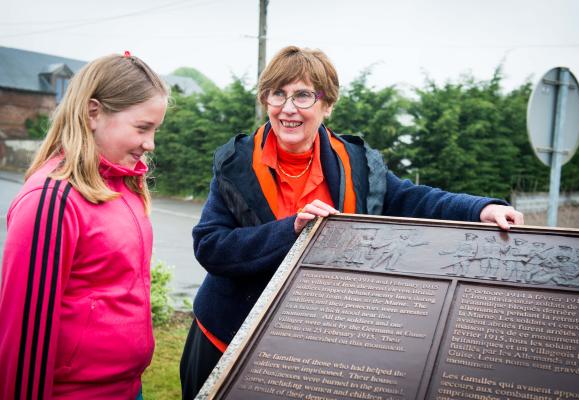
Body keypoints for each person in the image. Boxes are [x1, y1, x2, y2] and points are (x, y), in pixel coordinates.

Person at [179, 45, 524, 398]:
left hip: (316, 342)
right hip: (228, 338)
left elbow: (412, 197)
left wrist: (480, 209)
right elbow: (210, 246)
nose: (288, 108)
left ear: (327, 104)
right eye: (277, 94)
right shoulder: (236, 163)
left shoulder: (355, 161)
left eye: (303, 95)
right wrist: (290, 230)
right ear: (265, 99)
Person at [0, 53, 169, 399]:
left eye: (155, 130)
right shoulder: (53, 199)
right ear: (94, 113)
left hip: (126, 388)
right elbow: (23, 336)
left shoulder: (125, 185)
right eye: (142, 128)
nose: (150, 143)